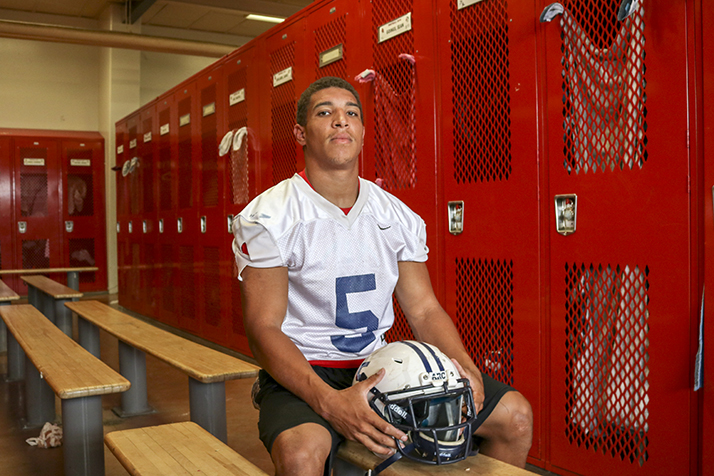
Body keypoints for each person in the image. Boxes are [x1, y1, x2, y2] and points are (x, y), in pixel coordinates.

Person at [232, 76, 533, 476]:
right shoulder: (269, 215)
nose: (341, 121)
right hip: (305, 368)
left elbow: (424, 310)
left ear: (361, 130)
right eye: (326, 113)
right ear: (301, 134)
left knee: (515, 417)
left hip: (382, 363)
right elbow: (263, 327)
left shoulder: (398, 216)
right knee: (301, 455)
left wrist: (465, 367)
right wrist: (329, 403)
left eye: (351, 113)